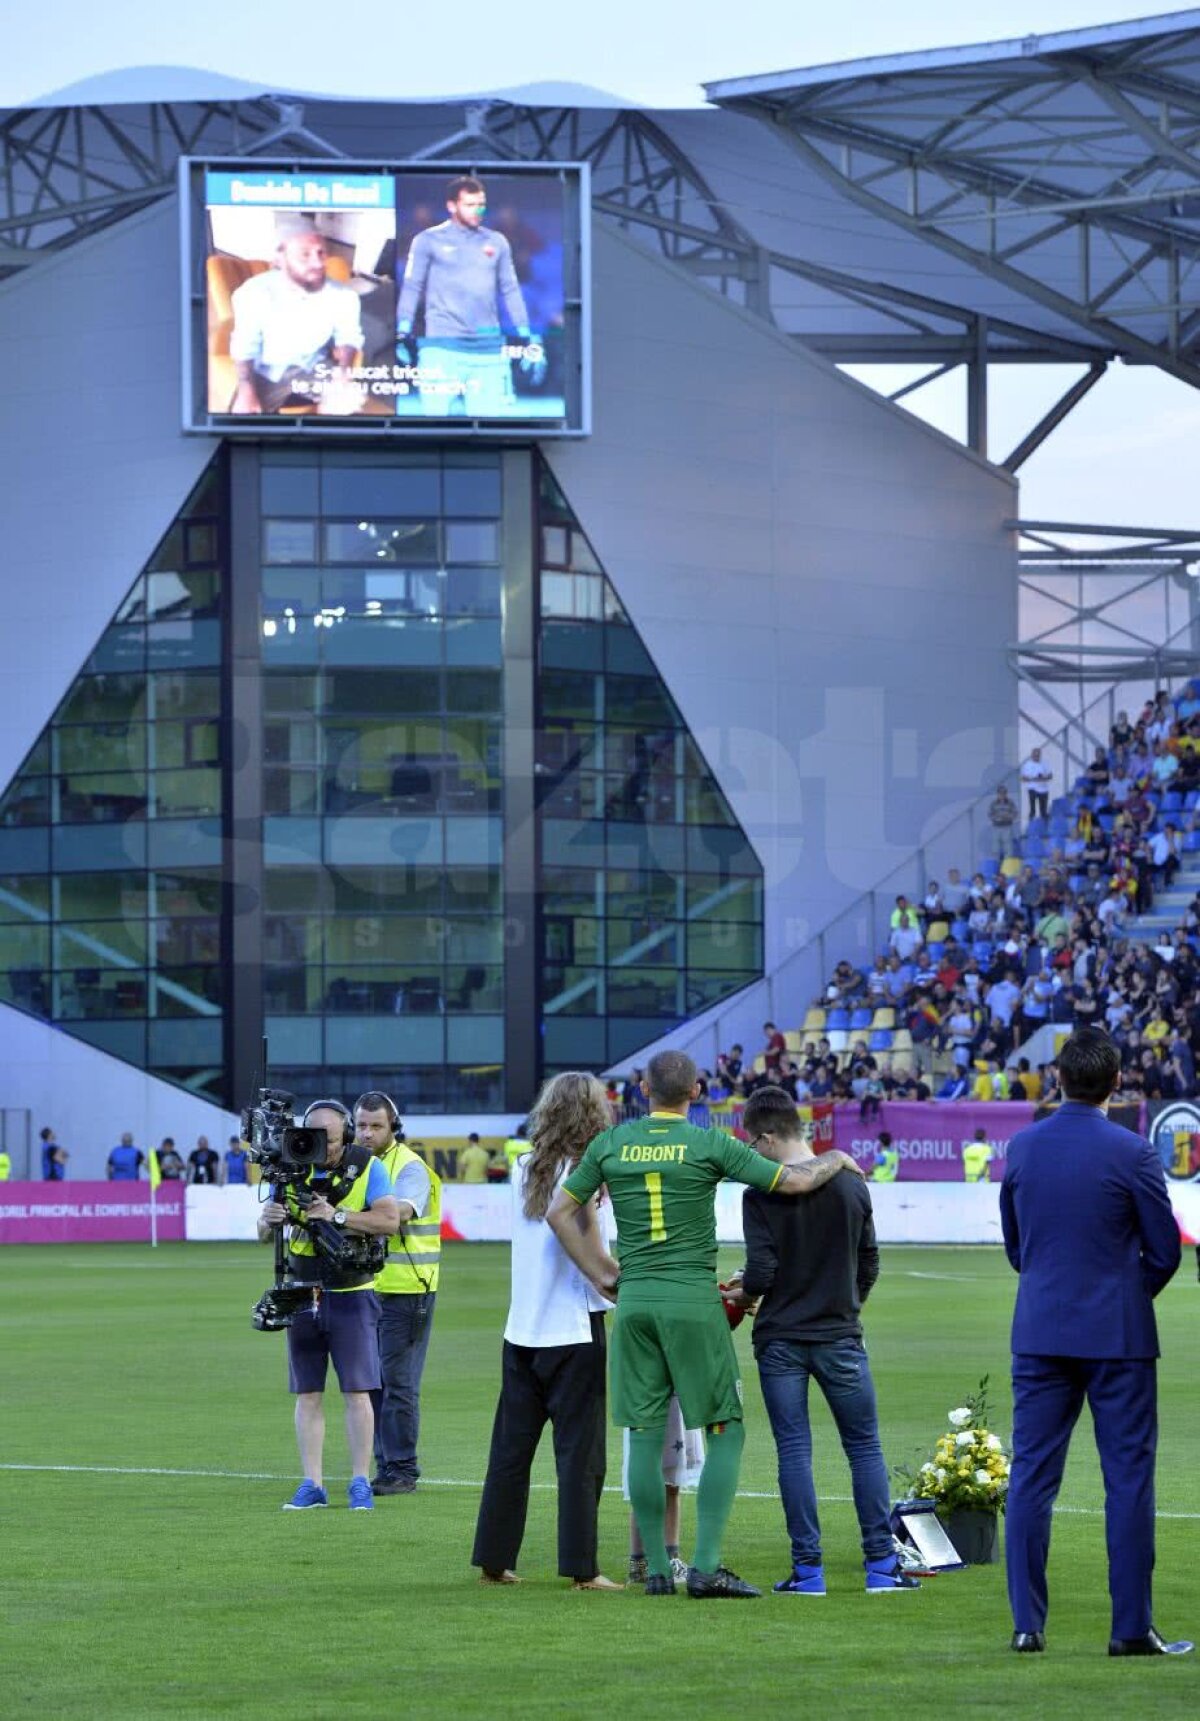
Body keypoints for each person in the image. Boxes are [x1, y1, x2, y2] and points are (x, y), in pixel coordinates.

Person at [547, 1048, 865, 1600]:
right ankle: (706, 1566)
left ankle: (656, 1571)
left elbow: (559, 1213)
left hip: (637, 1303)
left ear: (644, 1090)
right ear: (697, 1093)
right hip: (693, 1302)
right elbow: (793, 1182)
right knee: (725, 1430)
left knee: (644, 1436)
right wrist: (835, 1156)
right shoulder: (708, 1143)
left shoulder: (610, 1143)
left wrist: (600, 1274)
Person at [1000, 1028, 1190, 1656]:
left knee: (1031, 1478)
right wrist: (1126, 1294)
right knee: (1128, 1481)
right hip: (1118, 1337)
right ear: (1117, 1083)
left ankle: (1027, 1625)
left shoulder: (1023, 1147)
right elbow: (1165, 1251)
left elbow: (1016, 1248)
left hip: (1041, 1330)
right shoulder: (1133, 1152)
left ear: (1057, 1079)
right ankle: (1130, 1628)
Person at [733, 1087, 917, 1595]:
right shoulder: (852, 1185)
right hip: (839, 1336)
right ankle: (881, 1566)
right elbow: (870, 1262)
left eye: (753, 1141)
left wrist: (743, 1292)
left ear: (769, 1137)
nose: (751, 1151)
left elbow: (762, 1273)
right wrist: (847, 1305)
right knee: (864, 1448)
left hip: (780, 1340)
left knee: (794, 1451)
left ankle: (808, 1572)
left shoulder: (760, 1194)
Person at [472, 1072, 622, 1591]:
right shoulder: (587, 1174)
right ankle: (583, 1569)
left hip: (522, 1330)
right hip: (573, 1329)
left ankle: (494, 1561)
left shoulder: (524, 1167)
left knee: (510, 1454)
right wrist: (618, 1282)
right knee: (581, 1457)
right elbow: (594, 1254)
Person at [258, 1100, 399, 1512]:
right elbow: (263, 1234)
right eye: (314, 1138)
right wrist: (268, 1219)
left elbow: (389, 1221)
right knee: (307, 1393)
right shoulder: (288, 1167)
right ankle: (312, 1484)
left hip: (352, 1290)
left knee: (357, 1392)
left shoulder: (368, 1167)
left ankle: (360, 1482)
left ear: (347, 1135)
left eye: (332, 1141)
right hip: (302, 1290)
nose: (323, 1149)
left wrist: (337, 1217)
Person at [396, 175, 545, 418]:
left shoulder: (497, 241)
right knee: (431, 427)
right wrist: (402, 333)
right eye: (470, 204)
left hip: (488, 351)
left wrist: (528, 337)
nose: (477, 211)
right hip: (440, 349)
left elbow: (510, 290)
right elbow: (412, 287)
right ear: (451, 206)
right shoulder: (427, 241)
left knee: (489, 428)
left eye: (481, 205)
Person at [354, 1092, 441, 1497]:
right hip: (370, 1288)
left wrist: (342, 1216)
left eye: (376, 1126)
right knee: (373, 1382)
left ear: (394, 1127)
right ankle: (386, 1466)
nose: (367, 1134)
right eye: (361, 1125)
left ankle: (402, 1467)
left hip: (408, 1289)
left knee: (398, 1383)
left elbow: (398, 1215)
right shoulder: (360, 1166)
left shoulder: (410, 1167)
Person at [227, 220, 364, 415]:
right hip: (266, 371)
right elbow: (245, 345)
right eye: (305, 254)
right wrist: (246, 388)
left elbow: (348, 336)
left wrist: (343, 371)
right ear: (280, 259)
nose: (318, 263)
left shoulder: (344, 296)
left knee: (350, 413)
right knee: (241, 422)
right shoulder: (254, 293)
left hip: (314, 364)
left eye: (321, 252)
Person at [623, 1396, 703, 1587]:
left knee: (670, 1482)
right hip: (654, 1401)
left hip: (667, 1401)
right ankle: (642, 1563)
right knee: (647, 1483)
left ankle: (666, 1558)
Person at [988, 783, 1019, 859]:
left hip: (1007, 827)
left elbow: (1015, 813)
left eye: (1004, 793)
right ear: (997, 794)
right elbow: (990, 814)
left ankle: (1007, 862)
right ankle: (995, 862)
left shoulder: (1011, 803)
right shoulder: (993, 803)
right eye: (1000, 793)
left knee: (1008, 846)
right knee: (995, 846)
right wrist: (997, 818)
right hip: (996, 827)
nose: (1002, 795)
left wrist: (1007, 817)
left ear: (1006, 794)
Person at [1021, 749, 1053, 822]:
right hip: (1032, 788)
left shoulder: (1044, 764)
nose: (1036, 756)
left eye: (1038, 755)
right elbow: (1023, 778)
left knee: (1043, 810)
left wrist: (1043, 778)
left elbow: (1050, 775)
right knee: (1032, 810)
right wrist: (1033, 779)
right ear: (1032, 755)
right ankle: (1031, 824)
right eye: (1035, 755)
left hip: (1043, 789)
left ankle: (1044, 824)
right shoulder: (1027, 765)